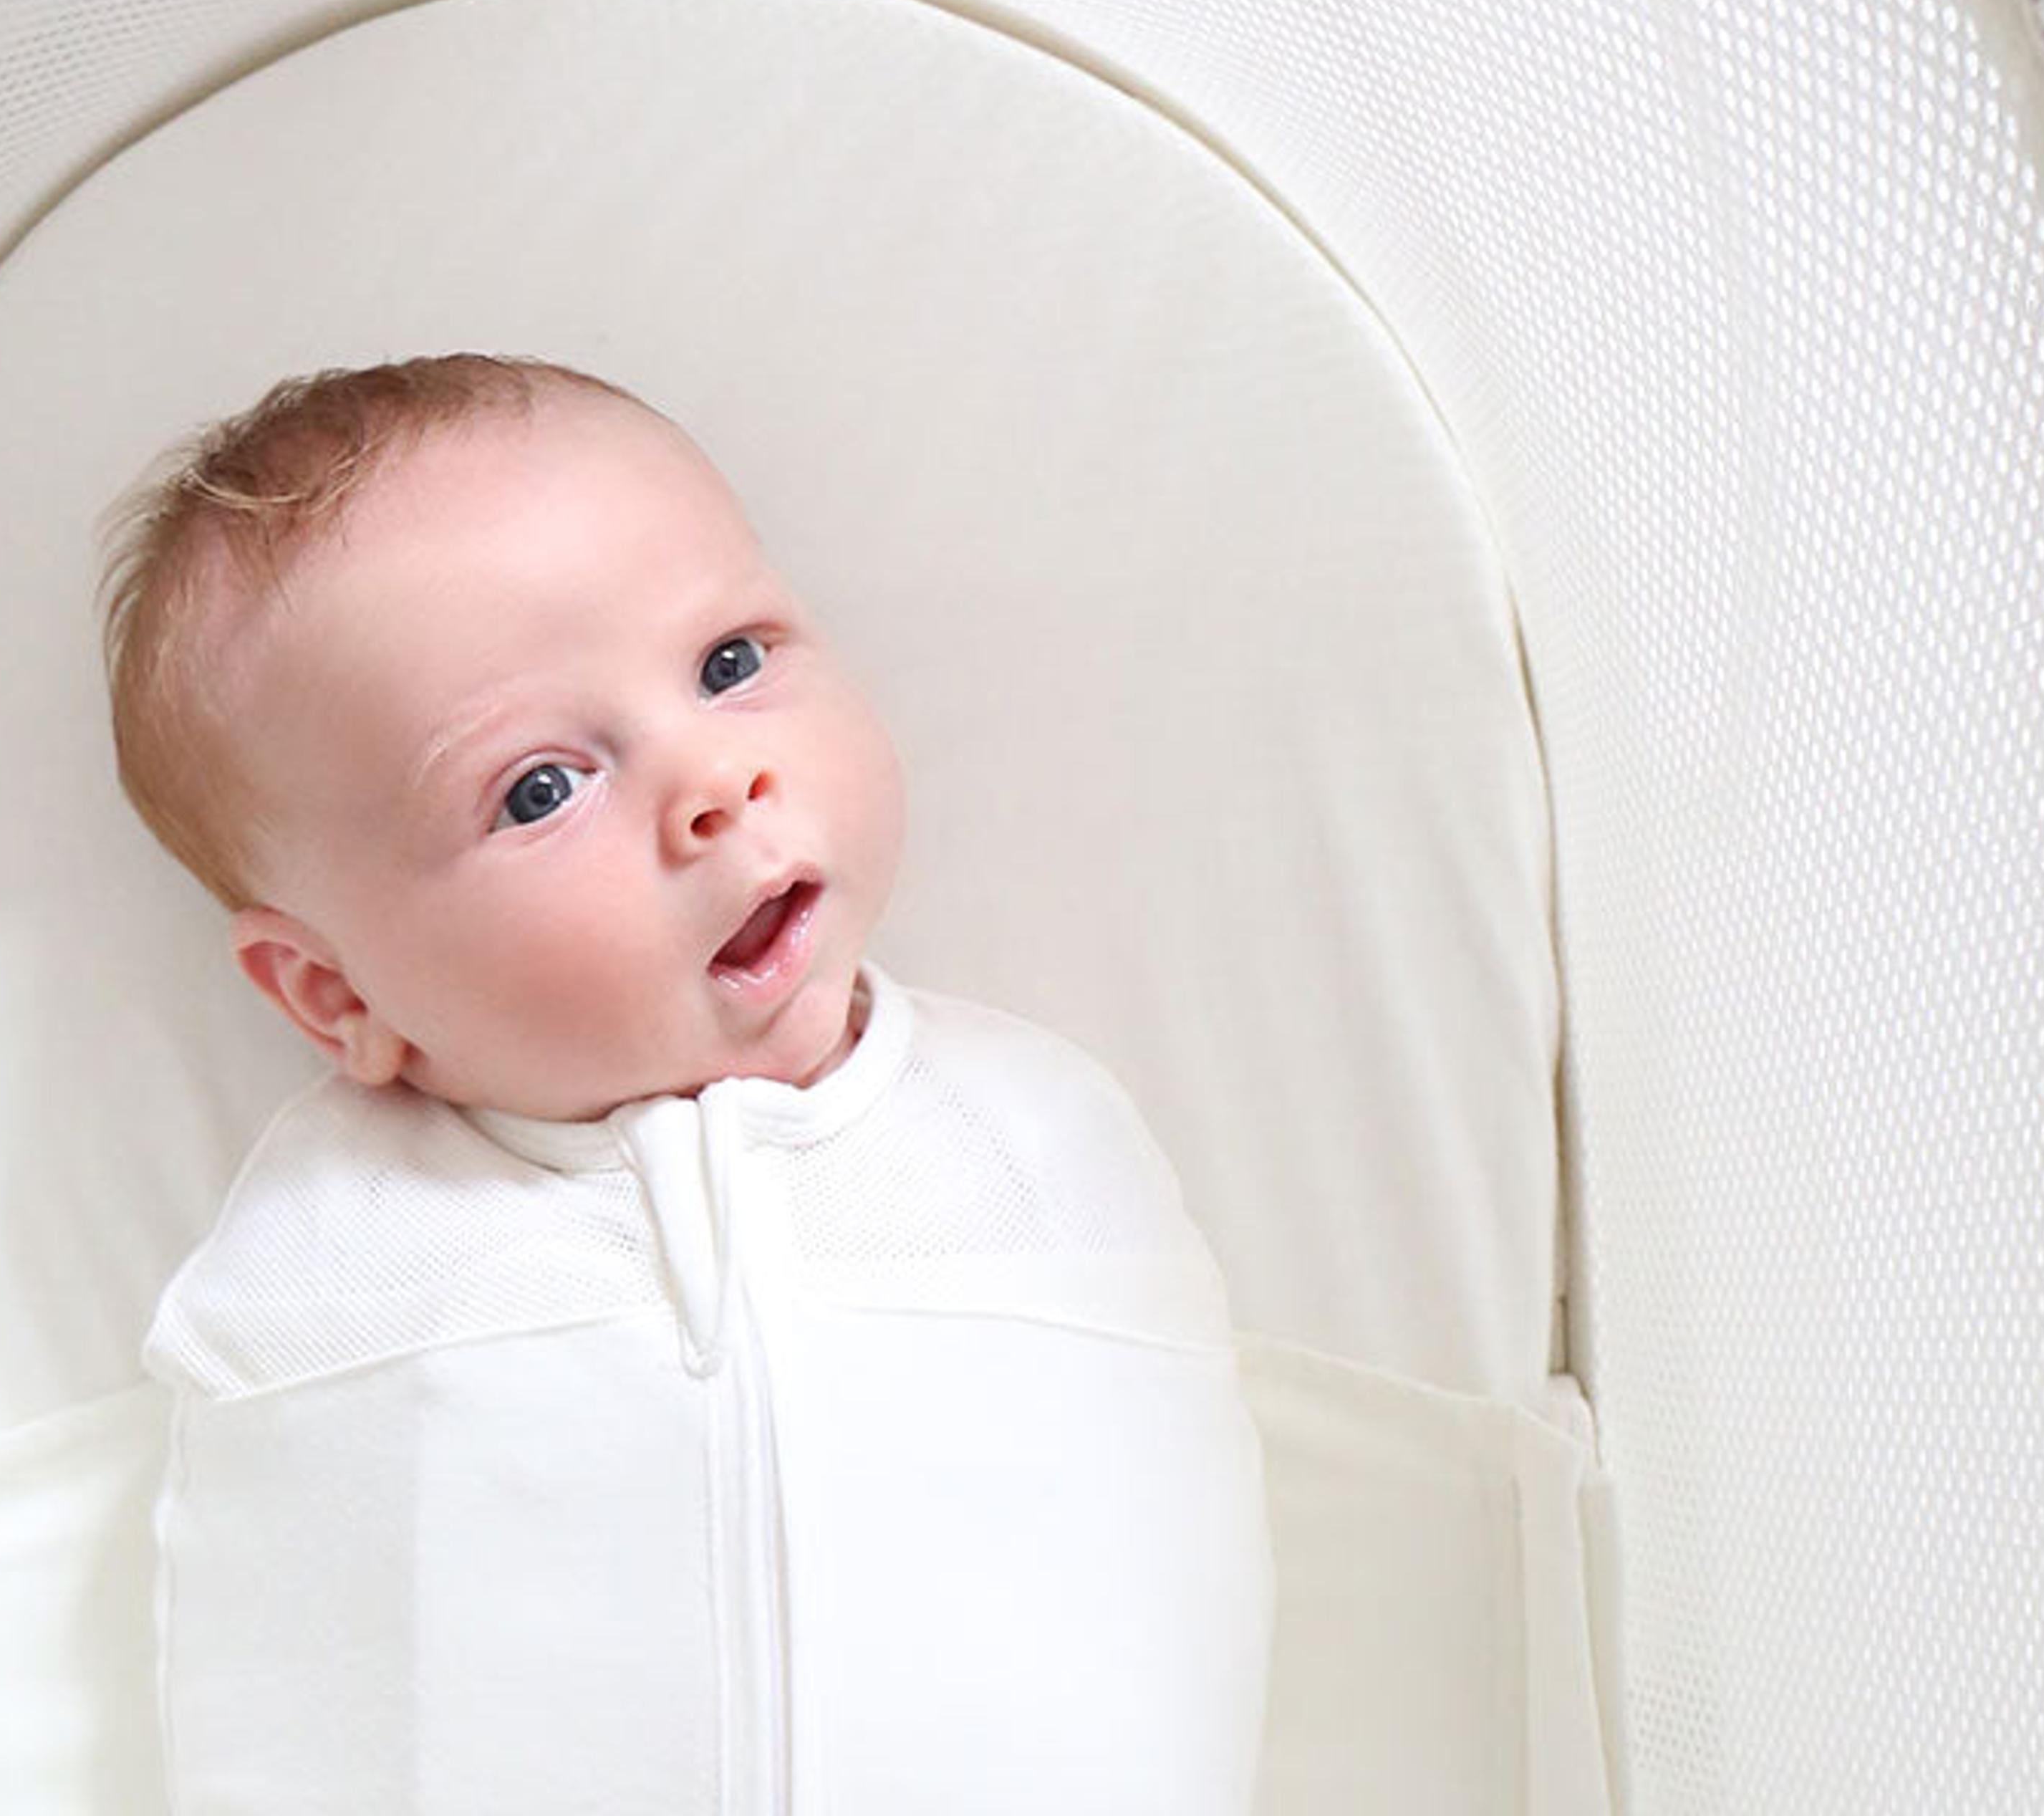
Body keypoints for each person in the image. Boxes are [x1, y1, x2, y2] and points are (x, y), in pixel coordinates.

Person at [105, 354, 1271, 1812]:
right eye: (539, 788)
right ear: (335, 993)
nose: (716, 782)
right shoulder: (326, 1254)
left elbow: (1160, 1566)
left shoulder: (1033, 1134)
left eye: (729, 664)